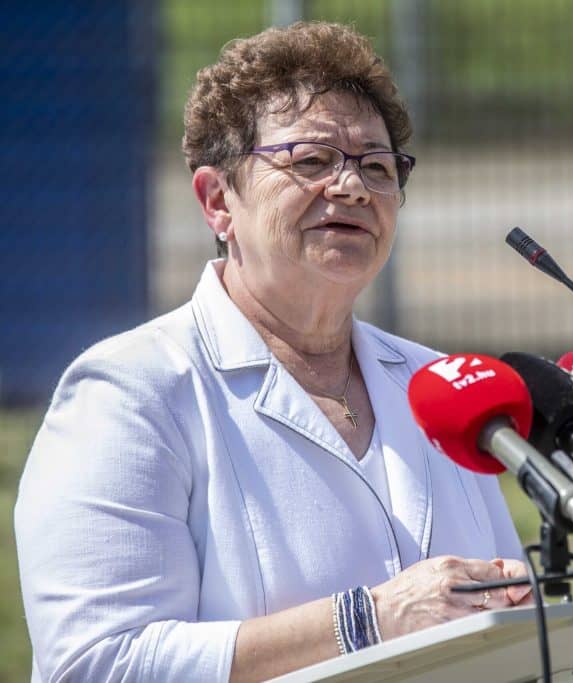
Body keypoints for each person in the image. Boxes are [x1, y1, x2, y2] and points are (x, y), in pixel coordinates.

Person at [15, 21, 531, 682]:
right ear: (217, 201)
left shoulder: (444, 387)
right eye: (312, 161)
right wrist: (368, 620)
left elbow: (514, 627)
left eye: (377, 166)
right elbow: (96, 663)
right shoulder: (130, 393)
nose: (352, 187)